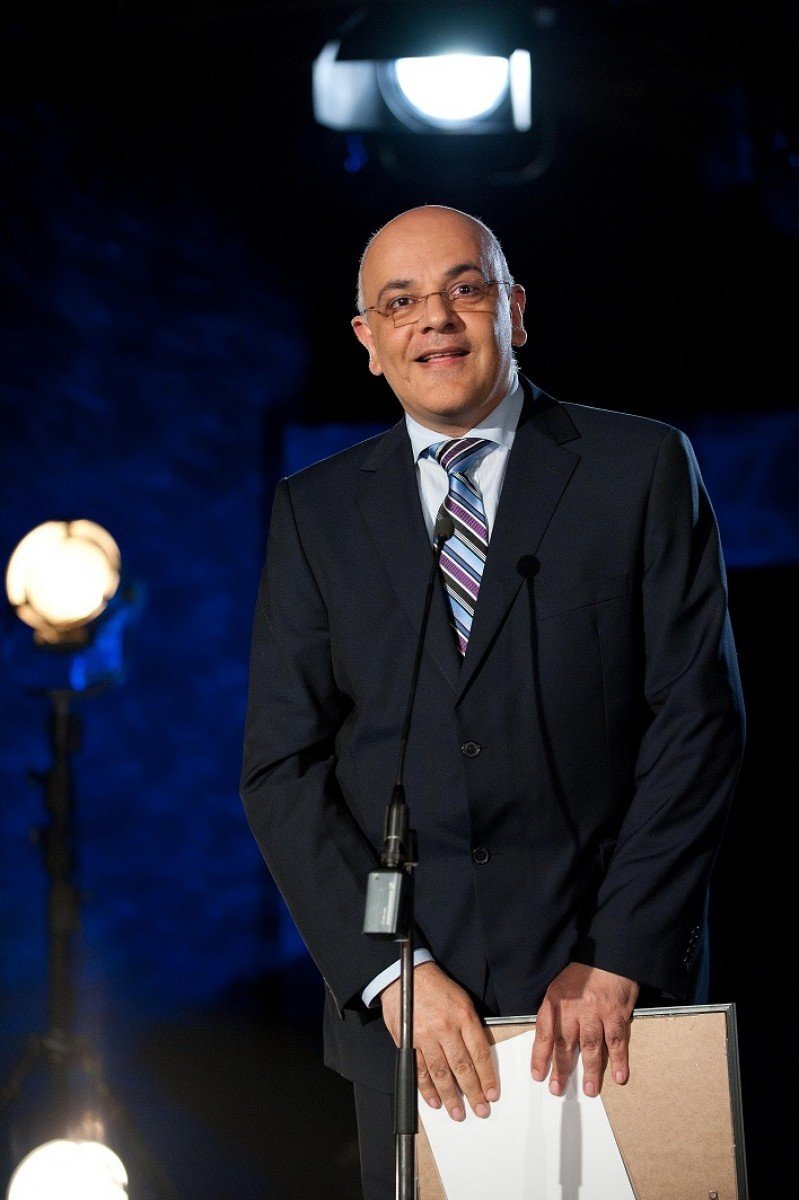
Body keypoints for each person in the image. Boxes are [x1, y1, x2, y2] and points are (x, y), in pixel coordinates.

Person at [240, 204, 746, 1199]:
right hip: (415, 1021)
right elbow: (281, 768)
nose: (435, 318)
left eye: (463, 289)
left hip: (613, 1001)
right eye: (400, 303)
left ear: (513, 310)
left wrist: (617, 954)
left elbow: (697, 724)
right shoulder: (316, 512)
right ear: (368, 341)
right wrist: (392, 972)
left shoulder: (639, 468)